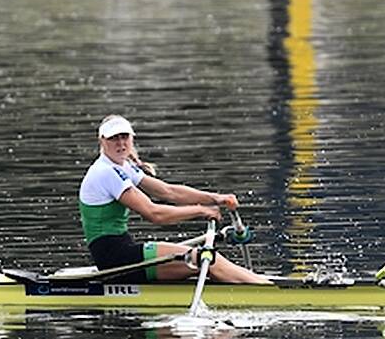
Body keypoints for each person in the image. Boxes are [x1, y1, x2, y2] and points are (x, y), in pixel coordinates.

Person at [79, 114, 271, 285]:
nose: (120, 143)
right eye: (113, 138)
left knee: (206, 258)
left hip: (123, 252)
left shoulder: (122, 166)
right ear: (102, 141)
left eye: (124, 137)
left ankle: (260, 284)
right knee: (207, 258)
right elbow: (154, 214)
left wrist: (215, 198)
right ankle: (268, 291)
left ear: (132, 138)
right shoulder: (106, 173)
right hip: (116, 260)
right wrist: (200, 210)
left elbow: (168, 191)